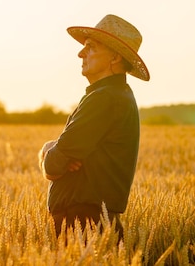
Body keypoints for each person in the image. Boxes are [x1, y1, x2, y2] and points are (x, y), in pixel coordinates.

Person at [38, 14, 150, 240]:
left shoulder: (104, 98)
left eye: (90, 47)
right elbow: (58, 160)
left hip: (84, 225)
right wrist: (55, 150)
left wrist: (47, 150)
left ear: (115, 57)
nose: (81, 53)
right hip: (91, 224)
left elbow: (52, 165)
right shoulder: (115, 96)